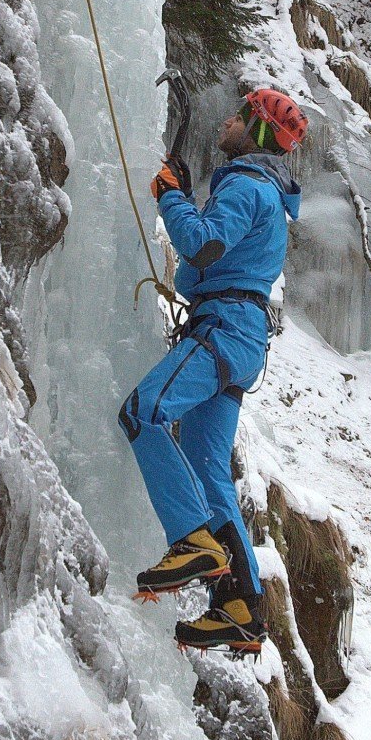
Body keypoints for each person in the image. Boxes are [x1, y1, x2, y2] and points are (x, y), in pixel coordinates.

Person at [118, 87, 307, 654]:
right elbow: (204, 269)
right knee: (207, 467)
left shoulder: (247, 185)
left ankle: (192, 540)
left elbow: (199, 247)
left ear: (256, 132)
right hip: (238, 337)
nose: (225, 120)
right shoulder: (265, 194)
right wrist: (185, 199)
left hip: (222, 332)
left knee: (145, 412)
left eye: (239, 115)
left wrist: (172, 199)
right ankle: (241, 608)